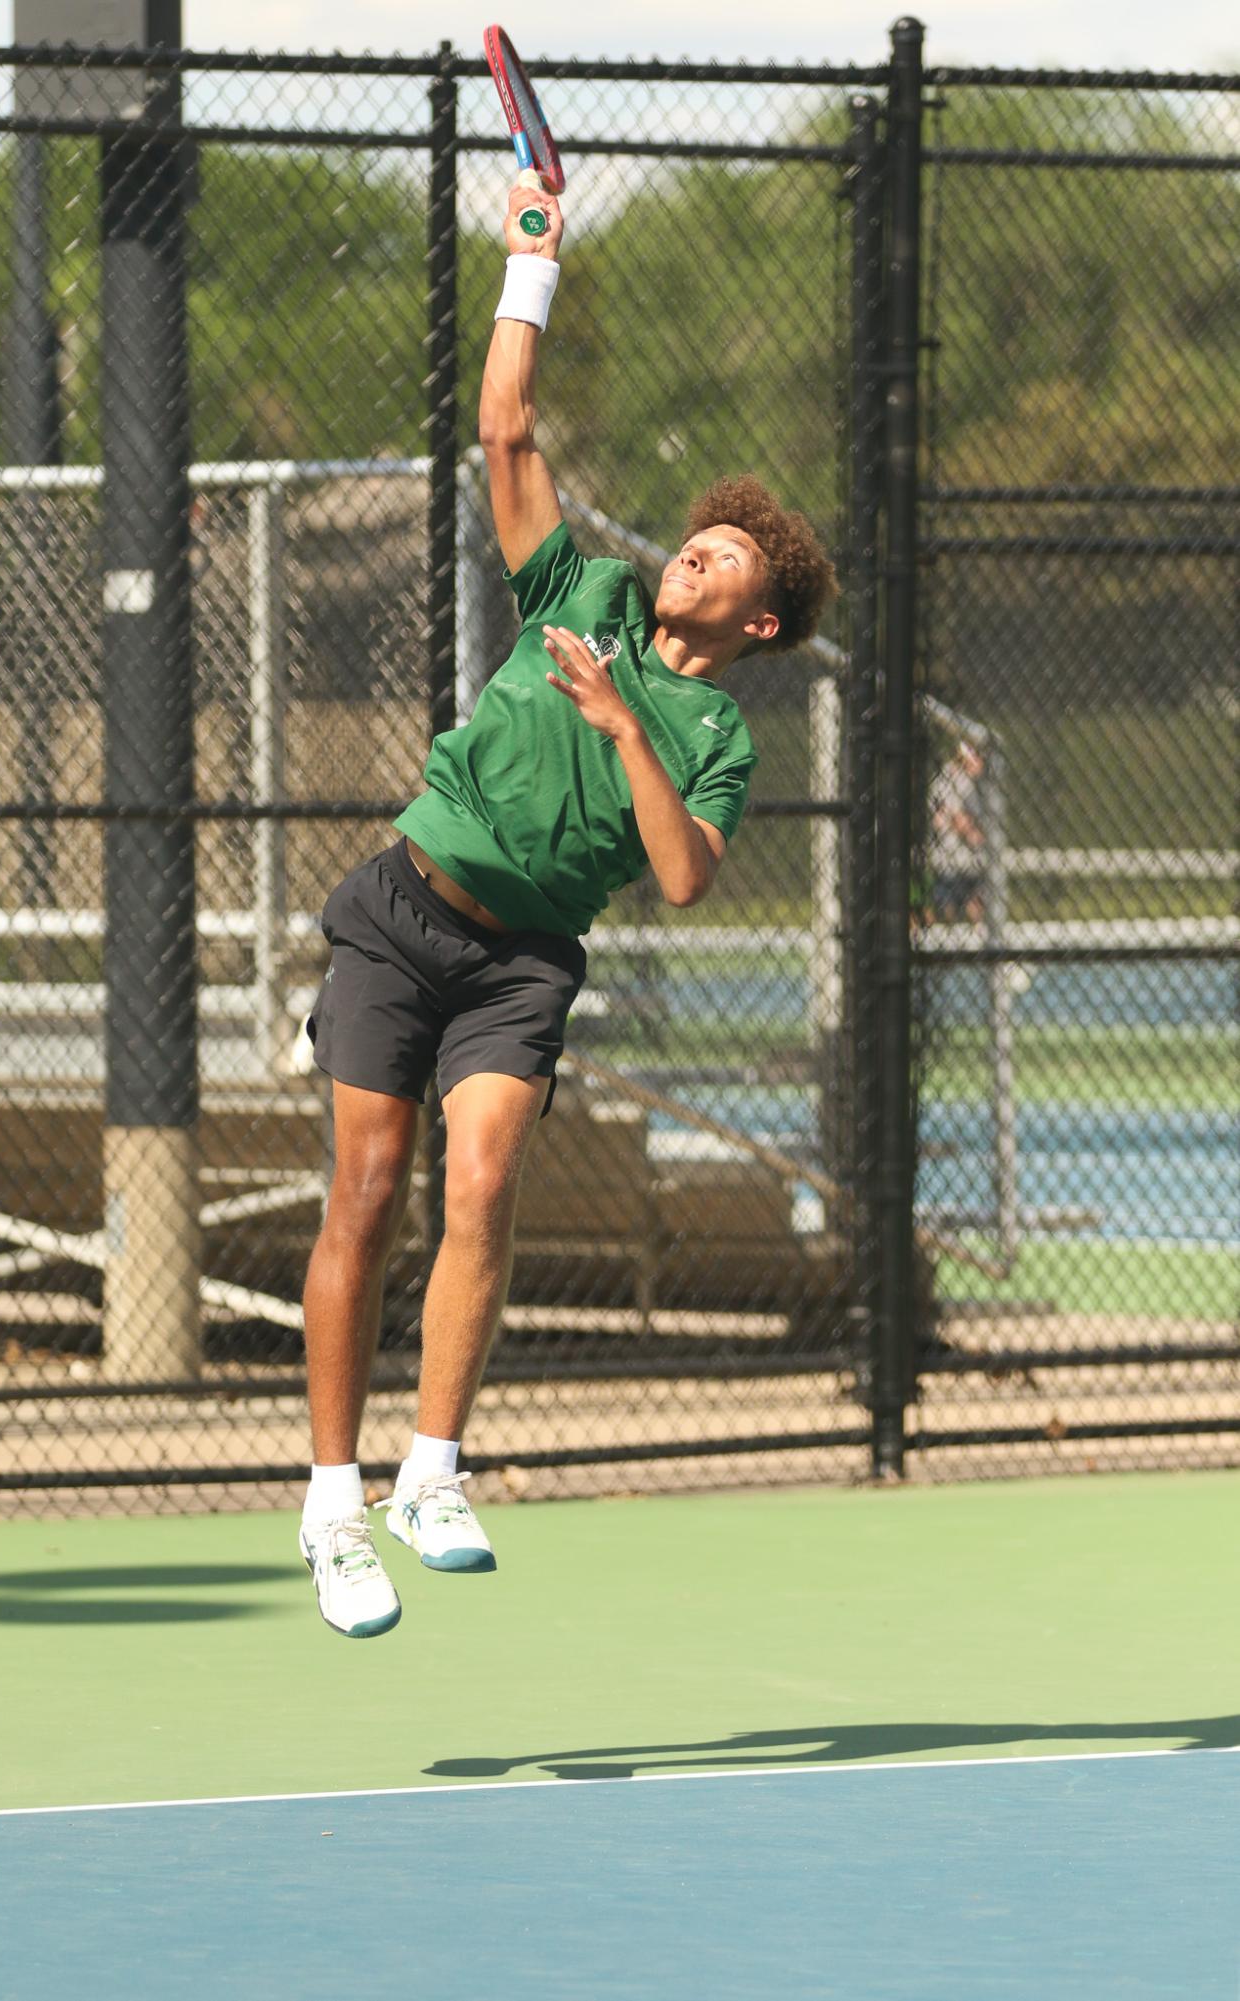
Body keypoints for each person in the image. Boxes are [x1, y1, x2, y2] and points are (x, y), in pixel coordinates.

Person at [297, 174, 838, 1638]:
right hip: (401, 913)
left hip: (522, 964)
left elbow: (677, 874)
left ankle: (432, 1471)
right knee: (365, 1195)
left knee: (479, 1192)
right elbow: (504, 433)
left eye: (723, 559)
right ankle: (332, 1506)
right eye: (700, 539)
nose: (694, 553)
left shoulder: (716, 737)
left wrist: (617, 728)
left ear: (757, 622)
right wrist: (523, 270)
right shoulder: (582, 591)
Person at [927, 738, 987, 926]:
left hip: (966, 857)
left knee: (973, 901)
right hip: (951, 856)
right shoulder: (955, 778)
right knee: (947, 904)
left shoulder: (968, 781)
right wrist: (973, 833)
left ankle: (976, 938)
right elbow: (953, 816)